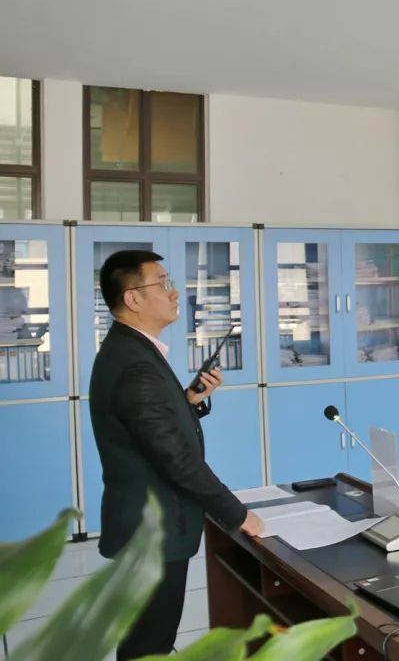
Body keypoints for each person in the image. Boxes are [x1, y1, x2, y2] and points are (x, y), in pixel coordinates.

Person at [88, 250, 264, 660]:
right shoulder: (136, 365)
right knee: (148, 643)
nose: (174, 293)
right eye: (163, 283)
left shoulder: (132, 349)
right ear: (133, 299)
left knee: (147, 638)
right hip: (153, 532)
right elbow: (177, 460)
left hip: (145, 526)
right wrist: (237, 514)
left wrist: (189, 400)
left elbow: (150, 429)